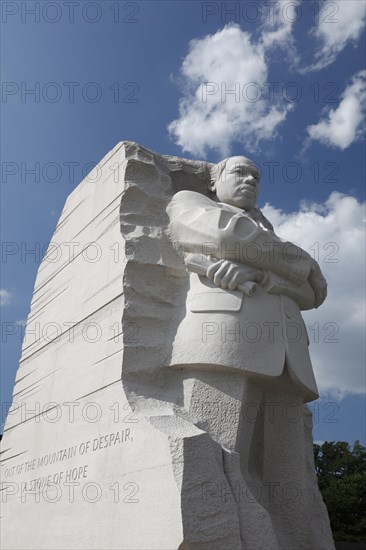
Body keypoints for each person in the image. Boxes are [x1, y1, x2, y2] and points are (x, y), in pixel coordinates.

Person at [165, 156, 334, 550]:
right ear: (215, 181)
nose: (250, 180)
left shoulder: (264, 230)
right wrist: (298, 262)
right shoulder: (191, 201)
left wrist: (262, 273)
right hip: (223, 339)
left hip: (289, 356)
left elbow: (315, 292)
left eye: (256, 176)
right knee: (218, 455)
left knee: (293, 476)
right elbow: (226, 236)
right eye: (239, 172)